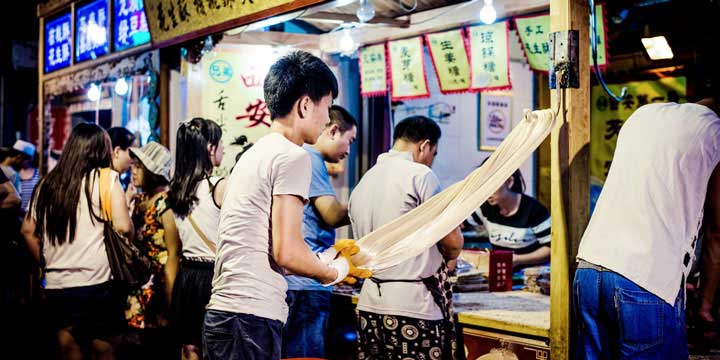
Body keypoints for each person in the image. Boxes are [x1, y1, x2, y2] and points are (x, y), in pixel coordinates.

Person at [203, 51, 363, 360]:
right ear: (305, 105)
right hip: (250, 317)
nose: (328, 119)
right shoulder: (294, 156)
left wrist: (325, 256)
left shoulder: (255, 152)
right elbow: (287, 253)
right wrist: (333, 271)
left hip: (226, 313)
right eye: (327, 107)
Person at [574, 99, 720, 358]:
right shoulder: (715, 132)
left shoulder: (643, 115)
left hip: (589, 270)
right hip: (643, 281)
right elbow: (715, 234)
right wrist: (706, 303)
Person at [349, 115, 464, 359]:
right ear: (425, 146)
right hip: (413, 307)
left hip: (369, 304)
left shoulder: (364, 181)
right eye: (433, 153)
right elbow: (452, 242)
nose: (431, 161)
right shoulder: (421, 176)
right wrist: (453, 251)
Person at [21, 123, 133, 359]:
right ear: (100, 150)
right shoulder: (105, 180)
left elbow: (27, 230)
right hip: (98, 283)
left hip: (57, 285)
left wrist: (43, 263)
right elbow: (124, 227)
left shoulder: (46, 184)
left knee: (68, 347)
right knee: (104, 348)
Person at [282, 105, 357, 358]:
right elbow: (332, 214)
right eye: (350, 141)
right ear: (334, 130)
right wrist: (367, 201)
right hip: (306, 283)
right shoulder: (310, 158)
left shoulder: (301, 156)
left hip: (298, 279)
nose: (349, 150)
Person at [168, 118, 224, 360]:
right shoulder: (218, 187)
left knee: (190, 349)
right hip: (214, 276)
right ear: (210, 148)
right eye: (220, 143)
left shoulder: (177, 191)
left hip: (187, 276)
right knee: (216, 347)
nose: (224, 149)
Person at [124, 141, 180, 358]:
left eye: (139, 167)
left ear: (154, 172)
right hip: (138, 285)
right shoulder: (138, 200)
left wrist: (170, 298)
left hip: (158, 287)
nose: (133, 170)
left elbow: (174, 252)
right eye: (134, 165)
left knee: (156, 348)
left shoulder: (166, 203)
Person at [464, 164, 551, 269]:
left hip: (531, 276)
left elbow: (550, 249)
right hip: (501, 272)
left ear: (509, 182)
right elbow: (459, 224)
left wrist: (518, 259)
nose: (486, 192)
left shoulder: (534, 210)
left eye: (491, 185)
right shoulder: (486, 208)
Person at [107, 127, 136, 192]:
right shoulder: (110, 179)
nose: (133, 160)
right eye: (132, 154)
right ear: (117, 151)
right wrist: (127, 198)